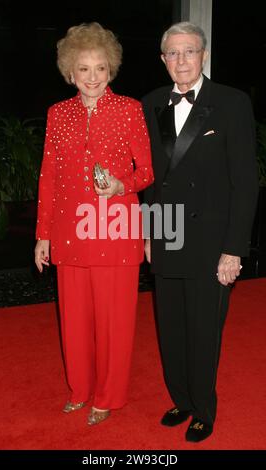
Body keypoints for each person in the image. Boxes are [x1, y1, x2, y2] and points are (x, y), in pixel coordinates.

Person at [142, 21, 258, 442]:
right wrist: (150, 234)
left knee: (204, 329)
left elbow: (245, 182)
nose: (181, 60)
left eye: (189, 51)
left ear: (203, 55)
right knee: (170, 326)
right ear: (163, 60)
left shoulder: (231, 102)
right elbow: (152, 180)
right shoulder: (151, 102)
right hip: (168, 234)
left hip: (211, 241)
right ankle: (182, 399)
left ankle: (204, 408)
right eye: (173, 53)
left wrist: (234, 249)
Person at [35, 22, 153, 425]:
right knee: (74, 322)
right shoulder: (58, 113)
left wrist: (122, 184)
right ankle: (80, 390)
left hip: (116, 228)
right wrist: (42, 235)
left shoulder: (130, 109)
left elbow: (148, 172)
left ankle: (108, 395)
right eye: (83, 69)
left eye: (99, 68)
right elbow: (48, 176)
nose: (92, 77)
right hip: (69, 233)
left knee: (115, 323)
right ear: (70, 72)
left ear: (111, 70)